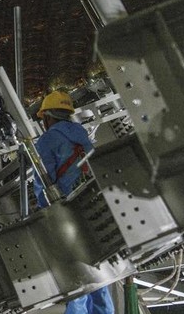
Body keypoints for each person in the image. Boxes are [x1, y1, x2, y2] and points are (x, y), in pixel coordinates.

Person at [33, 90, 113, 314]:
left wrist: (44, 213)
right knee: (99, 272)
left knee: (78, 278)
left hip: (68, 212)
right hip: (94, 206)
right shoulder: (82, 134)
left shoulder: (48, 139)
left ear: (48, 117)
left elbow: (43, 179)